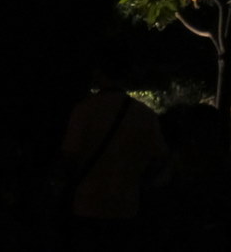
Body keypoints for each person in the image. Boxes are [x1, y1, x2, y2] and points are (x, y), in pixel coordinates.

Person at [59, 48, 168, 248]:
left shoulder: (84, 110)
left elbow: (70, 156)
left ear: (99, 73)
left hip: (87, 203)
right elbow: (158, 159)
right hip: (126, 205)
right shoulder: (144, 114)